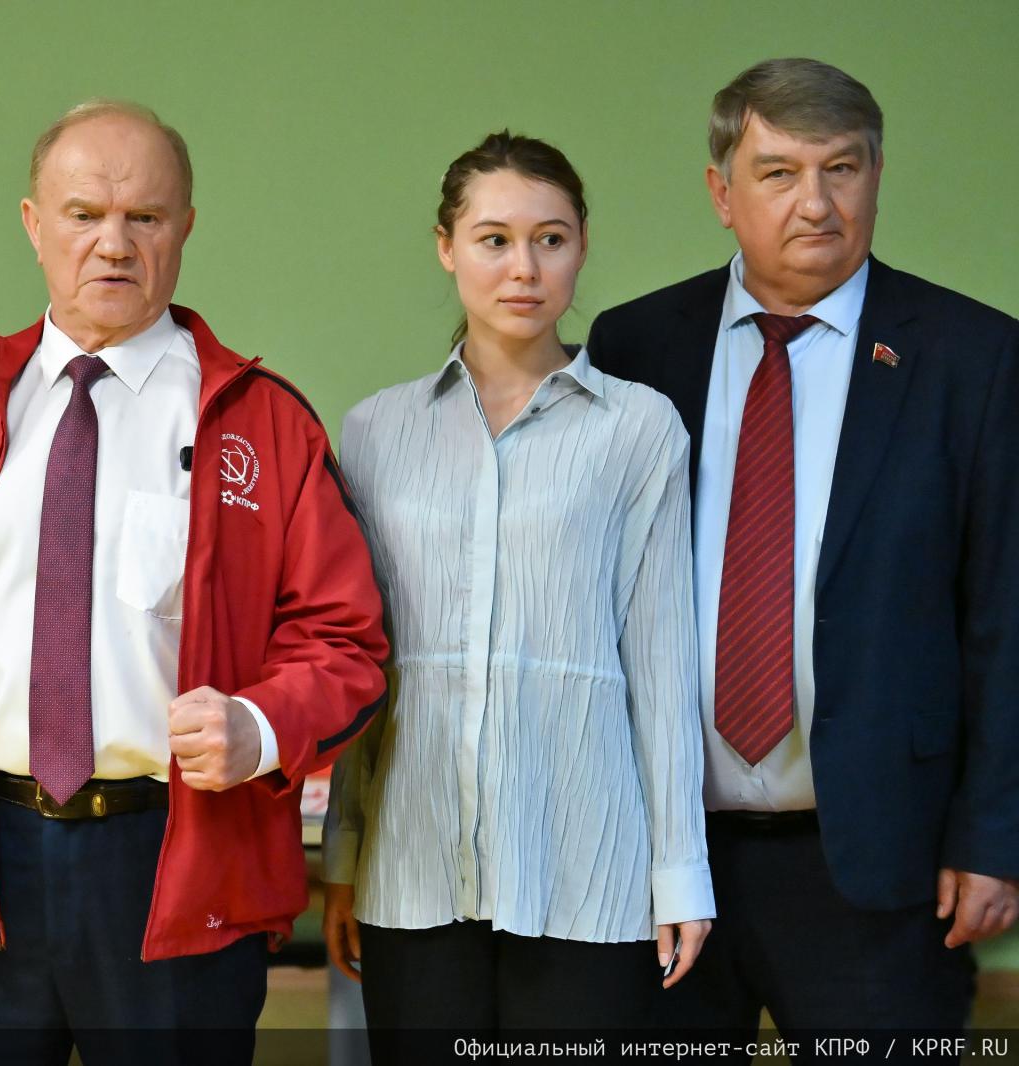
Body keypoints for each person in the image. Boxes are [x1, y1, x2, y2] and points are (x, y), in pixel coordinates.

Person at [0, 99, 388, 1065]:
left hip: (176, 872)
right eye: (83, 215)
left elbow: (346, 644)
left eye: (145, 216)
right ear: (33, 224)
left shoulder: (265, 426)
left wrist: (259, 725)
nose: (114, 243)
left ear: (186, 226)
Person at [585, 57, 1019, 1037]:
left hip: (882, 865)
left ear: (876, 175)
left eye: (842, 169)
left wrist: (995, 836)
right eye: (778, 173)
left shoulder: (974, 357)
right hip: (662, 859)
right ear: (720, 193)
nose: (816, 204)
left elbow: (1006, 615)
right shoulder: (636, 346)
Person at [321, 131, 715, 1054]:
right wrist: (343, 856)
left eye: (551, 239)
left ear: (582, 247)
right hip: (411, 866)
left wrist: (680, 872)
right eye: (494, 239)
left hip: (587, 870)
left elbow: (661, 663)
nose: (524, 268)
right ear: (446, 248)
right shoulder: (375, 431)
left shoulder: (640, 429)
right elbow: (362, 661)